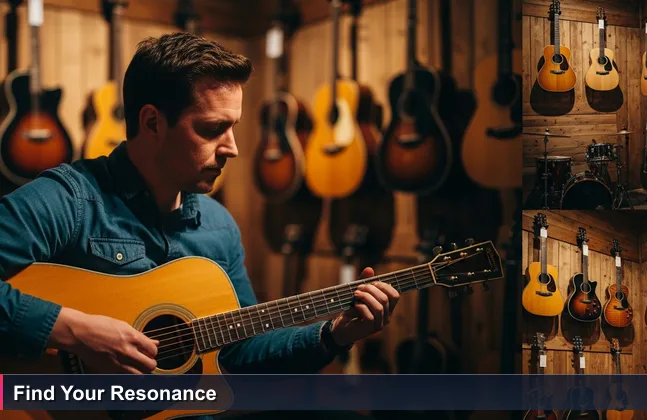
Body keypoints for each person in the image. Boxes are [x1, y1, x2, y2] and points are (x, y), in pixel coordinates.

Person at [0, 32, 399, 419]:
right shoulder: (69, 199)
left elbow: (241, 352)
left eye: (234, 127)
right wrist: (74, 330)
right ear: (153, 123)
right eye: (212, 129)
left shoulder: (218, 225)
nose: (233, 148)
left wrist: (334, 333)